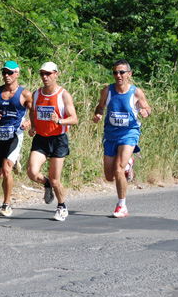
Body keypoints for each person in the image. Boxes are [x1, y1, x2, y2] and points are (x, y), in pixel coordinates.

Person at [92, 59, 151, 218]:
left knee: (118, 168)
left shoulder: (136, 92)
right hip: (111, 134)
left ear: (129, 74)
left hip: (129, 133)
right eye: (115, 72)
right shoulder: (107, 91)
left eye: (122, 72)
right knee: (109, 176)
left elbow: (147, 107)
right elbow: (100, 106)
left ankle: (122, 206)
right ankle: (129, 163)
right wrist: (98, 113)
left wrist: (146, 112)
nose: (118, 75)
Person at [27, 62, 78, 221]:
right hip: (41, 138)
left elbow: (74, 119)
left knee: (56, 179)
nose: (44, 77)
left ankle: (62, 206)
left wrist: (60, 121)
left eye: (48, 74)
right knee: (32, 172)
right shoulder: (36, 94)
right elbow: (33, 111)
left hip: (58, 139)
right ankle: (46, 183)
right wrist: (33, 126)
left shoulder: (63, 95)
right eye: (42, 74)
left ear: (56, 74)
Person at [0, 61, 33, 217]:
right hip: (0, 135)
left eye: (10, 73)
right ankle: (15, 162)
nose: (6, 76)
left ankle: (6, 204)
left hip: (16, 134)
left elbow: (35, 112)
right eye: (4, 73)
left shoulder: (25, 94)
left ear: (17, 74)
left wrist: (29, 123)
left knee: (6, 169)